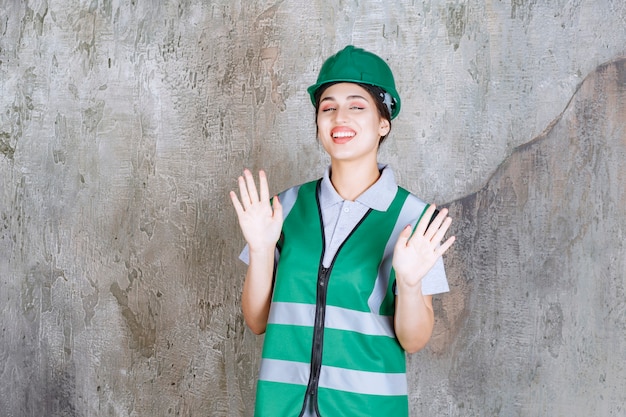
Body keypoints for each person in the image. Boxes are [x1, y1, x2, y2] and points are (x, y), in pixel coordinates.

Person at [230, 45, 455, 417]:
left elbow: (414, 340)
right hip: (280, 407)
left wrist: (411, 284)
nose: (339, 117)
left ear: (384, 121)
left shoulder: (415, 220)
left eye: (357, 105)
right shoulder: (281, 209)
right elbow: (257, 321)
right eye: (328, 107)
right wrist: (259, 249)